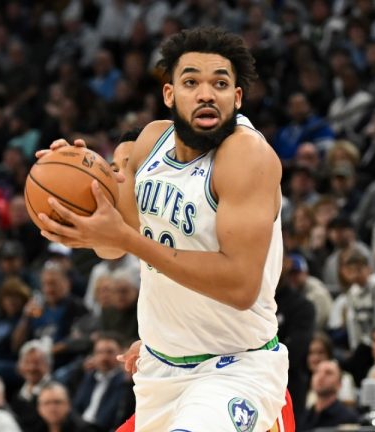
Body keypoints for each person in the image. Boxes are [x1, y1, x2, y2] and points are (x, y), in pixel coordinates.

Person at [37, 27, 289, 431]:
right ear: (170, 94)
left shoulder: (247, 155)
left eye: (220, 83)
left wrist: (126, 239)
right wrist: (81, 184)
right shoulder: (151, 141)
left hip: (233, 369)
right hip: (160, 371)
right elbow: (111, 246)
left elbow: (240, 286)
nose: (206, 93)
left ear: (236, 98)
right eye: (191, 82)